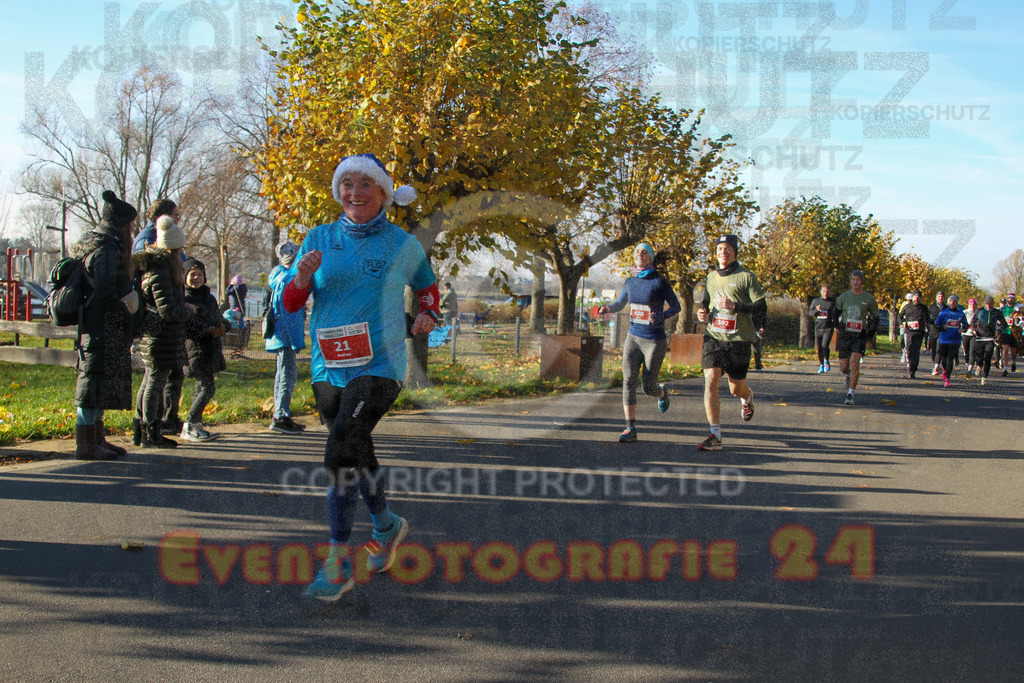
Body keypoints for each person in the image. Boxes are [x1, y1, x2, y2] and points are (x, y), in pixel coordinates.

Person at [283, 153, 438, 601]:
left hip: (381, 365)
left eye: (365, 184)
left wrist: (428, 314)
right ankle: (386, 526)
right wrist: (302, 277)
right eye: (347, 184)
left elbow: (427, 289)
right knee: (355, 447)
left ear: (383, 193)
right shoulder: (318, 238)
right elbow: (290, 304)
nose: (354, 193)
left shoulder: (402, 244)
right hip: (328, 366)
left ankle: (337, 563)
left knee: (340, 449)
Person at [72, 190, 138, 460]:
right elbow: (104, 292)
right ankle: (86, 444)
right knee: (91, 383)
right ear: (122, 224)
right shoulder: (109, 248)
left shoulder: (97, 243)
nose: (132, 230)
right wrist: (125, 310)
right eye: (131, 224)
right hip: (101, 325)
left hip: (96, 323)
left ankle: (96, 439)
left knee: (97, 381)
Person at [597, 243, 680, 443]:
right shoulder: (630, 282)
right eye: (637, 252)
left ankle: (661, 393)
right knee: (628, 380)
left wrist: (660, 316)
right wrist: (608, 308)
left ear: (650, 257)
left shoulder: (659, 281)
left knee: (648, 387)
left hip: (654, 340)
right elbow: (620, 303)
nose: (640, 255)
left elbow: (676, 307)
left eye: (645, 252)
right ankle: (630, 428)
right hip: (633, 337)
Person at [695, 234, 766, 451]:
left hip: (739, 340)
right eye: (719, 249)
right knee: (711, 381)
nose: (723, 253)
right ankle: (715, 434)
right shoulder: (710, 277)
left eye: (727, 249)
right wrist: (702, 311)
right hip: (714, 337)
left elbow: (761, 306)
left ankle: (747, 397)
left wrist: (736, 306)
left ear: (734, 252)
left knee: (736, 389)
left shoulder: (747, 277)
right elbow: (706, 300)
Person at [132, 215, 195, 448]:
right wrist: (189, 311)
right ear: (174, 249)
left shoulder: (157, 267)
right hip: (160, 335)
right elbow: (167, 310)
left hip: (158, 333)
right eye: (180, 249)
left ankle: (141, 432)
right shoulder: (161, 270)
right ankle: (151, 434)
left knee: (150, 380)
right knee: (154, 382)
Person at [180, 259, 229, 441]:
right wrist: (207, 330)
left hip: (212, 349)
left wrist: (223, 326)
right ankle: (189, 424)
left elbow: (218, 317)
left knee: (200, 388)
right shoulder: (184, 300)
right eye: (192, 274)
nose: (196, 278)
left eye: (200, 274)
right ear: (185, 277)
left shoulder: (209, 298)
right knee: (208, 388)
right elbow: (187, 327)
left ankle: (196, 425)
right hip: (195, 350)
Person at [266, 241, 307, 435]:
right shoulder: (282, 276)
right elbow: (288, 312)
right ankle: (281, 417)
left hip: (286, 335)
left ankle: (280, 414)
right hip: (284, 335)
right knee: (286, 375)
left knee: (284, 374)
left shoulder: (284, 276)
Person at [834, 270, 879, 405]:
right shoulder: (844, 297)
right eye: (853, 279)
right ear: (850, 281)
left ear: (862, 282)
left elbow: (875, 317)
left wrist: (870, 331)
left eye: (858, 279)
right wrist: (838, 325)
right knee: (844, 367)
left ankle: (850, 394)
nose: (855, 282)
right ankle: (848, 374)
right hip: (846, 334)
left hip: (860, 334)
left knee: (854, 363)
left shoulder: (869, 298)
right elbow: (835, 313)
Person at [971, 296, 1006, 386]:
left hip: (990, 338)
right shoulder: (979, 311)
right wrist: (974, 330)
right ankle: (979, 365)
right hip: (980, 337)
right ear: (984, 303)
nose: (989, 306)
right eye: (987, 304)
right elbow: (973, 321)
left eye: (990, 304)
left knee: (988, 357)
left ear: (993, 304)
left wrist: (999, 330)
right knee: (978, 356)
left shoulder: (997, 312)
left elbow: (1004, 324)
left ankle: (984, 377)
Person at [934, 294, 967, 388]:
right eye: (951, 301)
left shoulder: (961, 313)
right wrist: (942, 327)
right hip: (944, 340)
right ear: (948, 302)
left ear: (957, 303)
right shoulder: (943, 313)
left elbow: (966, 325)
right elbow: (936, 325)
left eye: (954, 301)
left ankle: (947, 378)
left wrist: (963, 329)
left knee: (950, 359)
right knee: (944, 359)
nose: (952, 303)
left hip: (955, 340)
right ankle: (945, 370)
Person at [898, 290, 930, 379]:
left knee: (916, 349)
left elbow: (928, 318)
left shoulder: (923, 308)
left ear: (920, 298)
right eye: (915, 297)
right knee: (909, 348)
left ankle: (913, 369)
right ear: (913, 298)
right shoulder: (907, 307)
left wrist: (928, 325)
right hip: (909, 331)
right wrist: (901, 323)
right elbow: (900, 316)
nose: (916, 298)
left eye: (918, 297)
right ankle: (910, 362)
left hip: (919, 331)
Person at [808, 283, 836, 373]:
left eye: (827, 292)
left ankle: (826, 360)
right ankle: (821, 365)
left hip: (828, 327)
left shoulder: (832, 301)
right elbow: (810, 313)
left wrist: (836, 321)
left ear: (829, 292)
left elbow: (837, 312)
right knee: (819, 348)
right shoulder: (816, 301)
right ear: (821, 292)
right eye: (824, 291)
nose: (825, 293)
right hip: (818, 327)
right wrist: (817, 310)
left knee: (825, 345)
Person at [999, 293, 1019, 376]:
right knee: (1005, 351)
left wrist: (1017, 319)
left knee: (1013, 352)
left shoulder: (1017, 309)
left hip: (1014, 332)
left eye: (1012, 298)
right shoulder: (1003, 309)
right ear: (1007, 299)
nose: (1010, 299)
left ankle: (1013, 362)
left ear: (1014, 299)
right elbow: (999, 318)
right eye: (1009, 298)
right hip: (1005, 332)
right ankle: (1005, 369)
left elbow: (1020, 319)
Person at [927, 291, 945, 375]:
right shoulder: (931, 308)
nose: (940, 298)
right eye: (939, 296)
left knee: (939, 349)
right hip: (933, 331)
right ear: (936, 298)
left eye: (942, 296)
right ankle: (935, 363)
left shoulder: (946, 308)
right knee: (934, 349)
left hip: (943, 332)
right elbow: (927, 319)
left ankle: (936, 367)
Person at [961, 298, 978, 376]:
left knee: (972, 352)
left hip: (974, 335)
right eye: (971, 305)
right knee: (966, 351)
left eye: (974, 305)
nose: (972, 306)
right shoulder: (965, 312)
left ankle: (970, 368)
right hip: (965, 334)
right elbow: (961, 322)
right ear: (968, 305)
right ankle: (967, 363)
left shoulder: (978, 313)